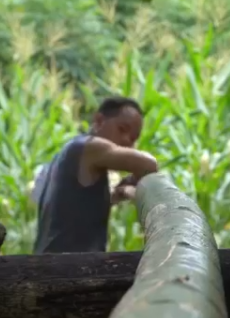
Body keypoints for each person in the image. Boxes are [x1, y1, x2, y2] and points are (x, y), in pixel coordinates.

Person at [32, 96, 158, 254]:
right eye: (122, 129)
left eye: (133, 139)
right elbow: (149, 165)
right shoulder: (90, 147)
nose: (127, 141)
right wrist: (134, 179)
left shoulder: (63, 156)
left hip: (49, 260)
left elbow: (72, 211)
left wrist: (114, 196)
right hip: (71, 264)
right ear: (99, 121)